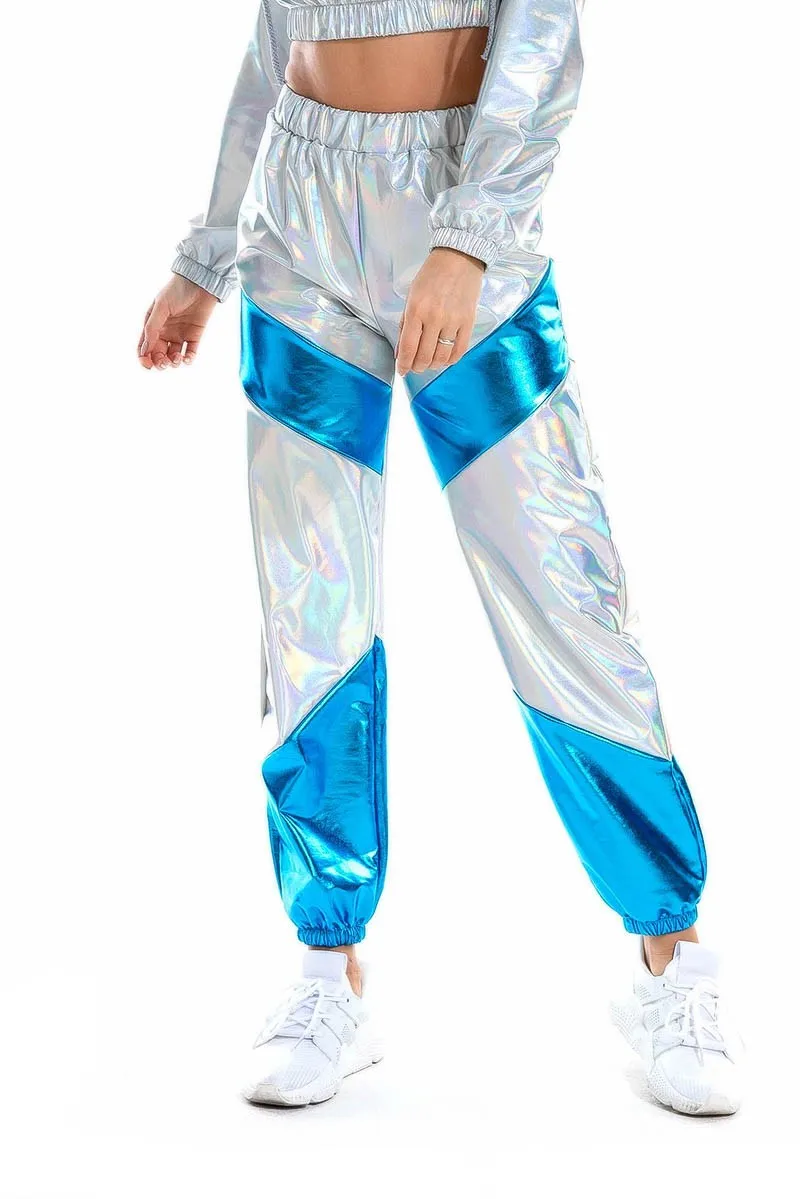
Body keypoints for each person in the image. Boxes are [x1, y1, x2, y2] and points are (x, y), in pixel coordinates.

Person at [137, 0, 742, 1115]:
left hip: (463, 219)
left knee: (561, 587)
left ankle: (672, 951)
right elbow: (275, 37)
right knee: (310, 605)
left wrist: (470, 234)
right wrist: (209, 248)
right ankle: (329, 965)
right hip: (299, 230)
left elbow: (543, 30)